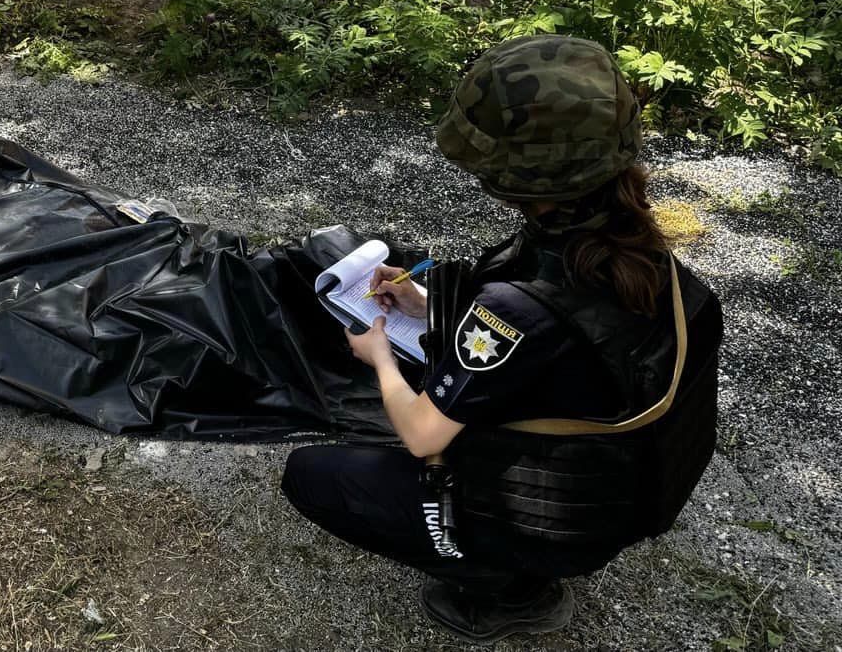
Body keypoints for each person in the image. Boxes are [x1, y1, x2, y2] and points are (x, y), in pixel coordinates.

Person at [280, 35, 723, 642]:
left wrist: (379, 356)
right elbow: (561, 347)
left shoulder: (517, 305)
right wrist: (426, 305)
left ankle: (513, 590)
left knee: (314, 475)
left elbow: (421, 434)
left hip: (557, 521)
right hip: (626, 490)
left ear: (512, 175)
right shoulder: (638, 255)